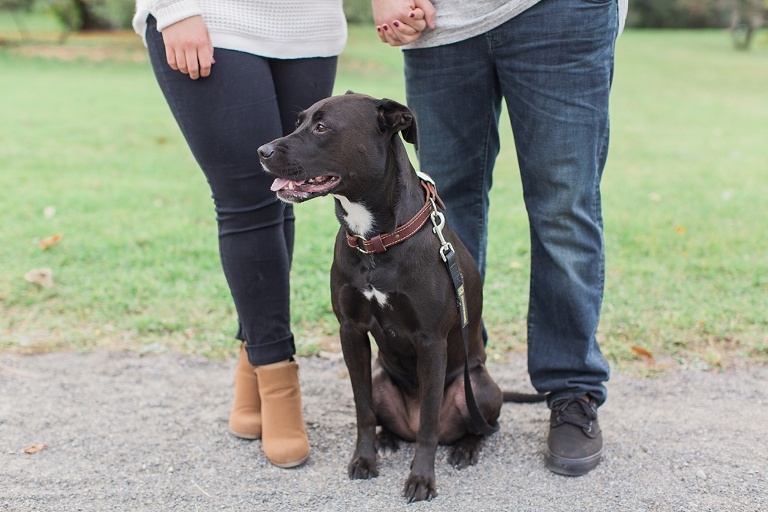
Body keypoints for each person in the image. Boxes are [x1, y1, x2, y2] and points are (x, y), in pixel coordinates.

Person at [372, 0, 628, 476]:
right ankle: (456, 381)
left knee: (563, 207)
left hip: (561, 14)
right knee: (440, 212)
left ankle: (573, 388)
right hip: (442, 25)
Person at [132, 1, 347, 469]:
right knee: (246, 201)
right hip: (212, 15)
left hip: (309, 22)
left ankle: (253, 367)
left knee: (281, 190)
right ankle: (278, 378)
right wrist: (173, 9)